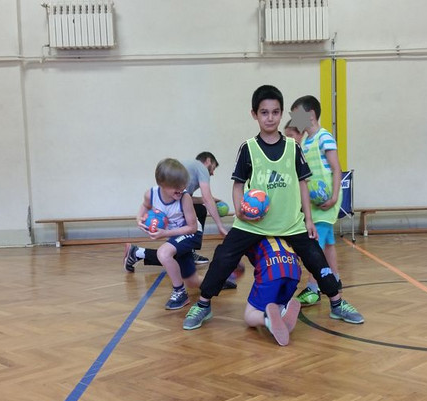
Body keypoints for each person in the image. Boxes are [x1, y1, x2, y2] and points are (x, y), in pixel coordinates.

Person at [182, 84, 364, 330]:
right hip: (253, 224)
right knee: (224, 257)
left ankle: (337, 302)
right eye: (264, 112)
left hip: (290, 222)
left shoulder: (293, 147)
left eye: (275, 112)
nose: (270, 118)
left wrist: (308, 220)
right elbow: (238, 185)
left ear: (281, 113)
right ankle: (203, 304)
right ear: (254, 114)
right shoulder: (248, 148)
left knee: (316, 258)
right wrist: (240, 210)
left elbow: (302, 183)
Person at [124, 152, 227, 270]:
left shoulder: (178, 187)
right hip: (179, 228)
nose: (212, 173)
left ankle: (138, 253)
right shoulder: (201, 168)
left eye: (184, 185)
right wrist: (220, 226)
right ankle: (138, 253)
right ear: (208, 161)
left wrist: (207, 200)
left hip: (184, 227)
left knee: (173, 255)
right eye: (213, 168)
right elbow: (206, 199)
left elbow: (188, 199)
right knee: (172, 256)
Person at [290, 95, 344, 306]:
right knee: (328, 243)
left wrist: (334, 197)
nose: (294, 119)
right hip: (314, 203)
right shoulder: (305, 141)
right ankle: (335, 279)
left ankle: (313, 288)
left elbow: (337, 168)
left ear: (310, 115)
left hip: (327, 201)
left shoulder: (324, 137)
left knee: (316, 246)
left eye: (297, 115)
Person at [134, 158, 202, 310]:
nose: (181, 189)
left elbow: (192, 227)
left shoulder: (185, 198)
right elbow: (145, 206)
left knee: (163, 253)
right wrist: (139, 219)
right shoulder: (151, 194)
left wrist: (165, 233)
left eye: (183, 185)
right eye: (176, 187)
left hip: (192, 234)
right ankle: (217, 282)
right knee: (192, 281)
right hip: (176, 236)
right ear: (161, 184)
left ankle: (180, 292)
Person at [242, 237, 302, 346]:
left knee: (249, 315)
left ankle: (267, 319)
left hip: (271, 270)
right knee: (276, 303)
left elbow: (235, 262)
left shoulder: (246, 233)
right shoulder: (282, 230)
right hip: (294, 270)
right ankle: (282, 311)